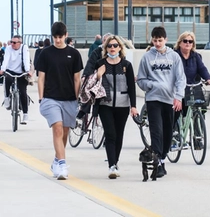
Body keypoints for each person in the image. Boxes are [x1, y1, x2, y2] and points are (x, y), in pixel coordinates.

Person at [137, 26, 186, 178]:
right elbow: (140, 79)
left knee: (167, 131)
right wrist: (151, 85)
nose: (157, 43)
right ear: (151, 40)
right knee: (156, 131)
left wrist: (178, 97)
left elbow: (180, 79)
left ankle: (163, 158)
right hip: (153, 99)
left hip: (169, 99)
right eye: (154, 40)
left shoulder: (174, 57)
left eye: (160, 40)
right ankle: (156, 162)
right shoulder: (147, 57)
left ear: (166, 40)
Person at [37, 22, 83, 180]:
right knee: (57, 128)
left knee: (64, 132)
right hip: (50, 98)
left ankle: (56, 160)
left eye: (60, 37)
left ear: (66, 35)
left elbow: (77, 79)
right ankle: (62, 164)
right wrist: (41, 98)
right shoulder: (45, 53)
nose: (57, 40)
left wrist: (77, 100)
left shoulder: (74, 54)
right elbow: (41, 78)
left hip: (69, 99)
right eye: (55, 37)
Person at [94, 35, 138, 178]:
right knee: (110, 133)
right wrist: (98, 75)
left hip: (122, 105)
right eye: (109, 46)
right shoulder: (100, 63)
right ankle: (112, 165)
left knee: (119, 135)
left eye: (115, 45)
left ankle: (115, 161)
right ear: (106, 48)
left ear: (120, 47)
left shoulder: (126, 65)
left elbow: (131, 86)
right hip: (105, 104)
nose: (112, 48)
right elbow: (92, 84)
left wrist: (133, 106)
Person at [173, 31, 210, 140]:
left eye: (190, 41)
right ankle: (175, 135)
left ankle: (197, 138)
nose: (188, 43)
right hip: (179, 88)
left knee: (198, 111)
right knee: (176, 110)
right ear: (180, 43)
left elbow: (202, 69)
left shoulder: (196, 56)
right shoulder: (174, 55)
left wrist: (208, 79)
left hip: (194, 86)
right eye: (185, 41)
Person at [0, 35, 31, 123]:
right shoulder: (9, 49)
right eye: (11, 42)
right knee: (7, 80)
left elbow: (26, 59)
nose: (12, 44)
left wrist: (28, 71)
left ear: (19, 43)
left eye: (14, 42)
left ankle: (25, 114)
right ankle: (6, 98)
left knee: (23, 92)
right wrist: (2, 69)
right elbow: (6, 60)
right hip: (10, 71)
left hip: (21, 72)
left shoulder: (24, 48)